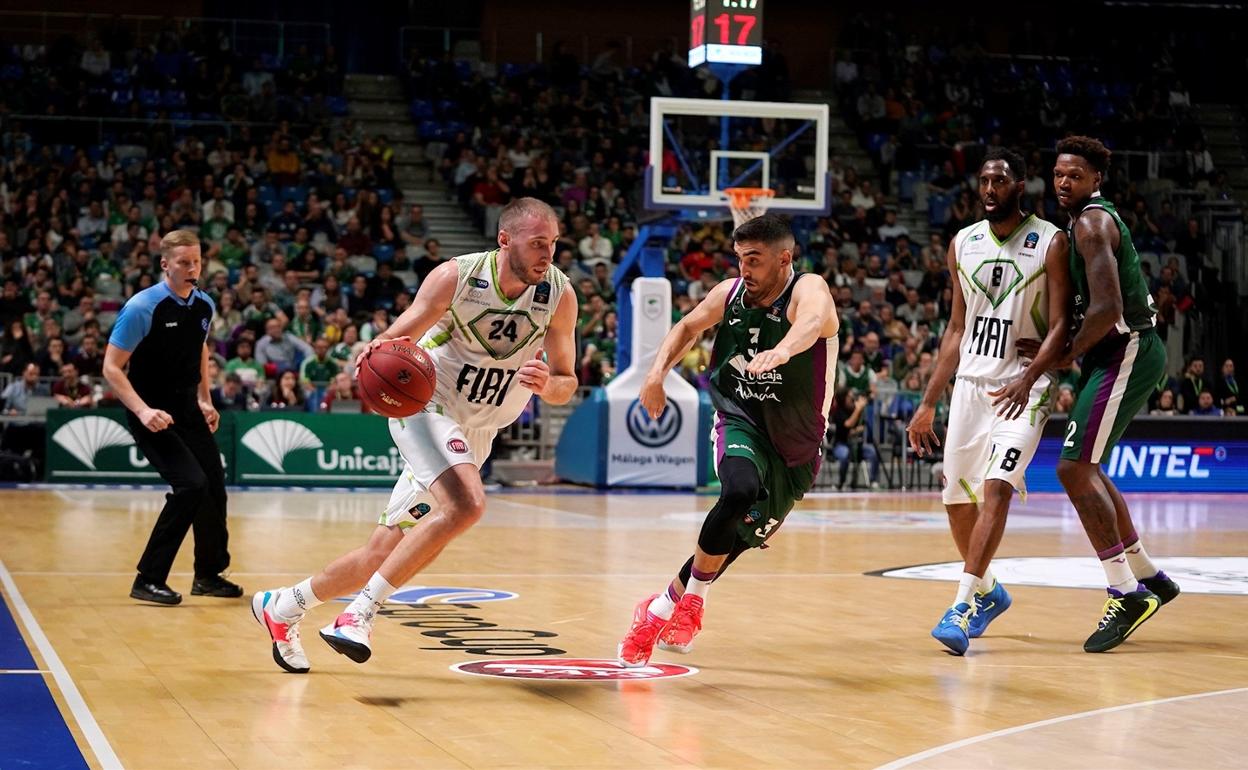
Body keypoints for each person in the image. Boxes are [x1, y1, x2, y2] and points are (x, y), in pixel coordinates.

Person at [252, 198, 578, 672]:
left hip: (477, 432)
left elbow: (566, 383)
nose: (547, 254)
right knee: (467, 505)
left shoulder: (559, 294)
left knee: (380, 552)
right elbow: (395, 339)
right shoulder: (457, 277)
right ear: (505, 240)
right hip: (427, 406)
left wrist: (549, 385)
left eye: (552, 243)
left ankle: (282, 607)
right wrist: (374, 352)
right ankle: (358, 614)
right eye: (537, 244)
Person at [616, 213, 839, 667]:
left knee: (736, 538)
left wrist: (784, 349)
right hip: (740, 419)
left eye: (753, 260)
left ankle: (658, 608)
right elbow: (685, 327)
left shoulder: (808, 289)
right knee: (738, 489)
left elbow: (813, 321)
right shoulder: (729, 293)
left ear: (784, 259)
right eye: (739, 258)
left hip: (796, 445)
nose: (744, 270)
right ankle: (693, 604)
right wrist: (656, 373)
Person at [906, 148, 1070, 655]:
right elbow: (956, 328)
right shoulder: (963, 242)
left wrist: (1038, 369)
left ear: (1020, 185)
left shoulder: (1051, 241)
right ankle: (989, 591)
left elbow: (1063, 322)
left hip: (1025, 387)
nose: (990, 189)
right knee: (957, 502)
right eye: (983, 181)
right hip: (971, 388)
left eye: (1000, 181)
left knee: (996, 488)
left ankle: (960, 606)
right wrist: (929, 401)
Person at [1051, 136, 1180, 653]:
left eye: (1075, 175)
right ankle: (1150, 577)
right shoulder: (1082, 221)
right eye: (1058, 174)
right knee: (1090, 467)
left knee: (1072, 468)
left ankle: (1124, 592)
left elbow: (1107, 307)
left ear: (1096, 179)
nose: (1064, 183)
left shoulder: (1091, 223)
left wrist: (1064, 356)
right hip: (1119, 351)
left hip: (1126, 347)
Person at [103, 230, 240, 606]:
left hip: (187, 409)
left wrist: (205, 399)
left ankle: (209, 575)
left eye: (196, 261)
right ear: (165, 264)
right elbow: (112, 368)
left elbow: (200, 349)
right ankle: (148, 578)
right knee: (191, 485)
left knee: (213, 484)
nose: (192, 268)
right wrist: (143, 410)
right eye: (183, 262)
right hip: (151, 411)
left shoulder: (204, 305)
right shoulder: (142, 307)